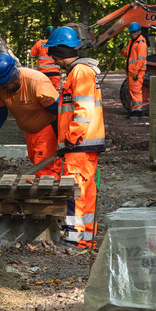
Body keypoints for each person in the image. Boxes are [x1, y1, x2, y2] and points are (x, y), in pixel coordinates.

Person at [43, 27, 105, 248]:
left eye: (53, 53)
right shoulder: (78, 72)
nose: (52, 58)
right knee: (85, 192)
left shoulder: (80, 72)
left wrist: (70, 139)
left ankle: (74, 237)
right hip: (82, 145)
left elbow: (84, 110)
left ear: (60, 50)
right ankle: (84, 240)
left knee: (75, 191)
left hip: (79, 144)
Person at [0, 53, 62, 178]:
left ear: (14, 75)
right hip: (29, 133)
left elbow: (59, 111)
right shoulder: (0, 88)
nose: (4, 88)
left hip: (47, 129)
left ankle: (47, 196)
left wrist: (64, 138)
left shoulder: (37, 83)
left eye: (5, 84)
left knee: (45, 169)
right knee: (36, 163)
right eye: (0, 85)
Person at [122, 21, 147, 120]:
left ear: (138, 32)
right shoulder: (132, 42)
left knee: (136, 92)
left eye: (134, 32)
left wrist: (136, 72)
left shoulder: (141, 43)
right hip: (132, 72)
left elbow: (141, 60)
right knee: (132, 91)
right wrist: (122, 50)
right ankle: (134, 111)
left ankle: (138, 112)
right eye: (131, 32)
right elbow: (129, 56)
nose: (132, 34)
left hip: (137, 73)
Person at [28, 26, 62, 90]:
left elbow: (31, 55)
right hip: (55, 73)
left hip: (42, 74)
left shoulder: (39, 43)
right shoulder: (58, 43)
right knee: (54, 94)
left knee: (43, 94)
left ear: (45, 34)